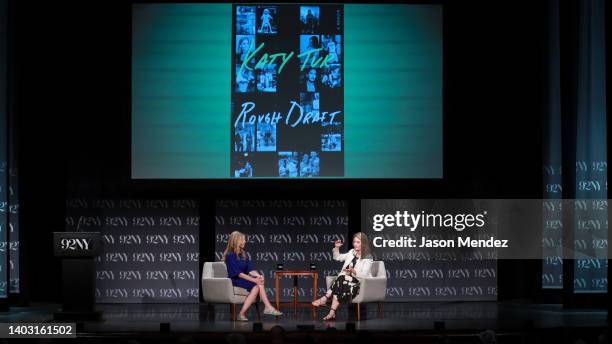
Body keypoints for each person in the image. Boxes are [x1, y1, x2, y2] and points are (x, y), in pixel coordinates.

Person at [311, 232, 373, 320]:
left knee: (341, 279)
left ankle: (325, 298)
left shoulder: (368, 256)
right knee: (341, 280)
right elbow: (338, 257)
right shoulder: (352, 252)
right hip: (345, 281)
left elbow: (365, 274)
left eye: (358, 242)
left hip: (359, 283)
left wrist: (353, 271)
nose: (355, 244)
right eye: (354, 242)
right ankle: (331, 312)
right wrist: (337, 247)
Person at [224, 231, 283, 321]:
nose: (245, 241)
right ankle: (268, 307)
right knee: (257, 282)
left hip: (244, 279)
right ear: (236, 241)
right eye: (243, 240)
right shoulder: (230, 255)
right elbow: (238, 273)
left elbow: (250, 270)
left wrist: (258, 276)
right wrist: (254, 280)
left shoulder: (244, 254)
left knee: (257, 285)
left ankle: (241, 314)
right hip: (235, 280)